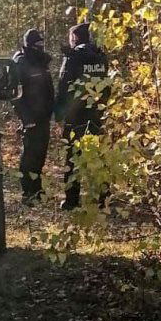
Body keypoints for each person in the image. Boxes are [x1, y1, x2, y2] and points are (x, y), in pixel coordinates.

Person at [55, 23, 109, 210]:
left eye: (71, 37)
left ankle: (71, 201)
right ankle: (103, 199)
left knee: (73, 158)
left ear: (75, 38)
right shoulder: (101, 56)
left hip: (76, 117)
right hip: (97, 114)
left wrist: (59, 114)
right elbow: (106, 85)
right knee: (98, 156)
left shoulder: (73, 58)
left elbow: (63, 87)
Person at [11, 28, 55, 205]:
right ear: (29, 44)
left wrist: (50, 112)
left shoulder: (42, 62)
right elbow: (16, 95)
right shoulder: (21, 63)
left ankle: (37, 189)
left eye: (42, 43)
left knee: (40, 155)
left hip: (43, 117)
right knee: (30, 156)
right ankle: (28, 192)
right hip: (30, 119)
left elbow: (47, 90)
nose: (41, 46)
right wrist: (25, 118)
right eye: (37, 44)